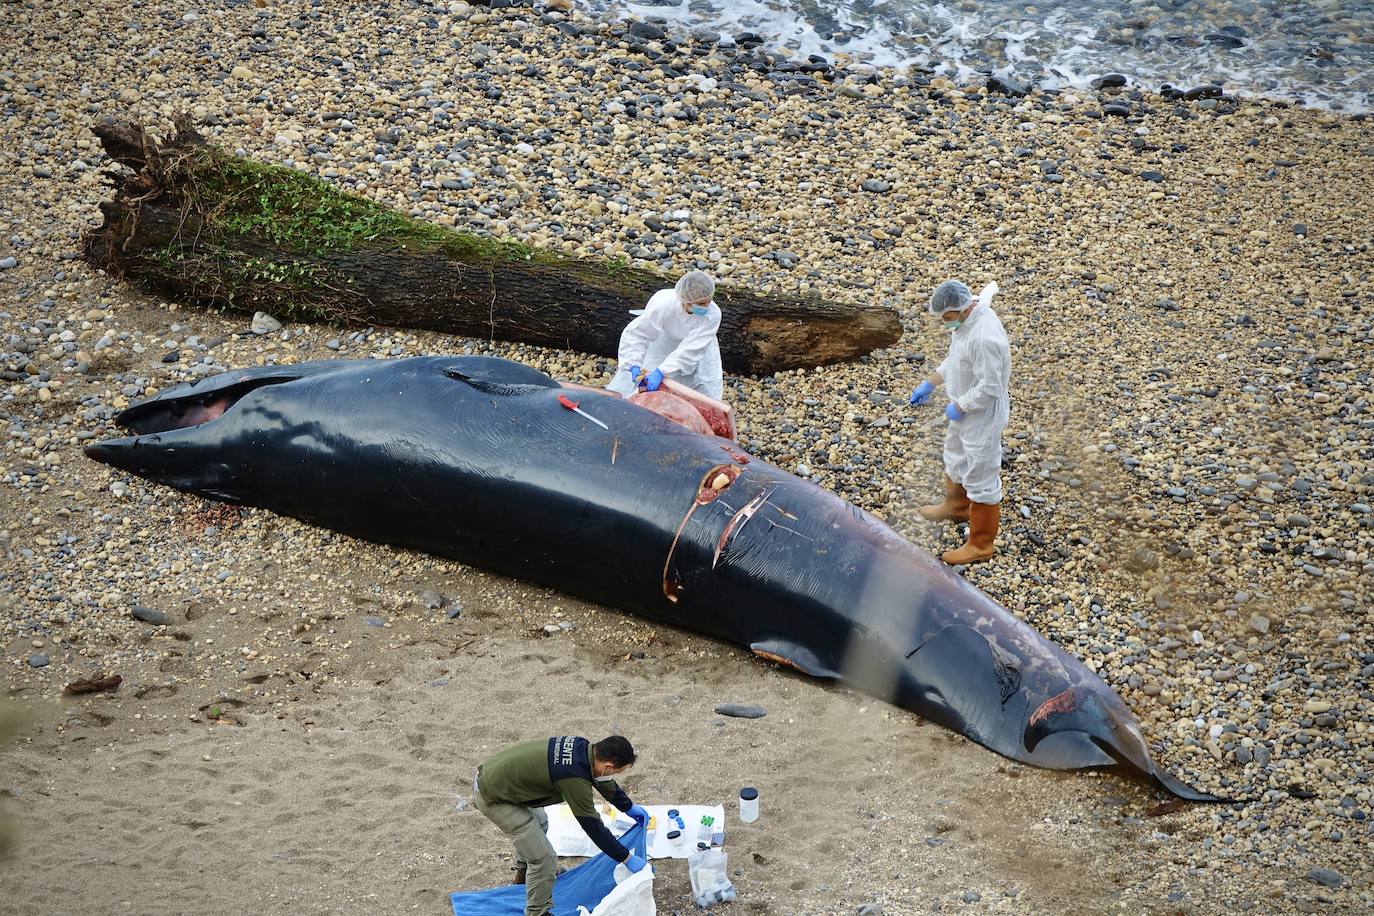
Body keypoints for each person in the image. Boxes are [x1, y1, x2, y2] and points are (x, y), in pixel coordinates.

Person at [473, 735, 649, 916]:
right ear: (609, 766)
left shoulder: (584, 748)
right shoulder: (573, 778)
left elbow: (601, 780)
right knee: (544, 858)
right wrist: (626, 857)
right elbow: (593, 826)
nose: (613, 776)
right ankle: (537, 912)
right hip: (493, 796)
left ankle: (524, 874)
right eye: (616, 772)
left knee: (540, 822)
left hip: (497, 779)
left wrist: (627, 806)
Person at [908, 279, 1010, 565]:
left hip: (982, 414)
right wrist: (930, 383)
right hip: (963, 405)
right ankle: (957, 505)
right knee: (954, 455)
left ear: (963, 310)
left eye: (948, 319)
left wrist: (961, 406)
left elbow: (990, 388)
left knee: (981, 472)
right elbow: (957, 360)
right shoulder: (966, 318)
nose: (945, 324)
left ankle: (981, 544)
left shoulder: (984, 338)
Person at [607, 270, 724, 400]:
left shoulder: (712, 314)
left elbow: (690, 350)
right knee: (635, 386)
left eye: (708, 301)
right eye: (701, 304)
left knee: (705, 391)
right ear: (685, 300)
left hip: (699, 347)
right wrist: (633, 364)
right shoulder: (664, 302)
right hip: (664, 341)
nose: (707, 306)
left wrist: (661, 372)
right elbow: (638, 333)